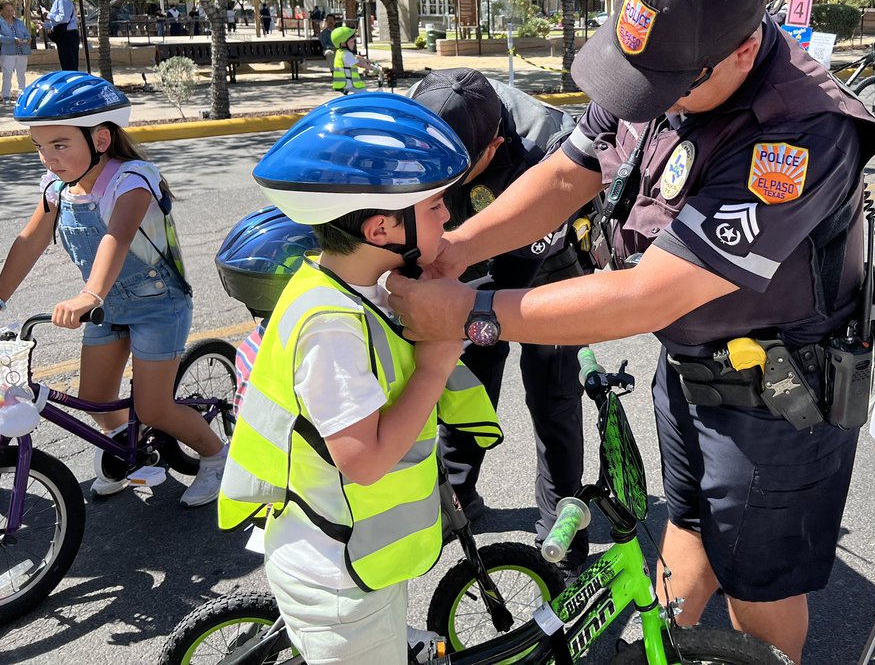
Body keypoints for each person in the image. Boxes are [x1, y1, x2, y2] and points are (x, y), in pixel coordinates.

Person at [387, 0, 875, 663]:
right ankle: (677, 652)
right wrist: (458, 249)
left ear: (744, 51)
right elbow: (568, 174)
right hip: (692, 369)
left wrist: (470, 313)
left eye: (662, 88)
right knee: (685, 524)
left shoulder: (799, 131)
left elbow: (652, 293)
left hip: (780, 397)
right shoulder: (663, 60)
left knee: (760, 587)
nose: (643, 101)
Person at [217, 93, 501, 665]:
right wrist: (435, 365)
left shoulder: (354, 287)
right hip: (338, 577)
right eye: (434, 206)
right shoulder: (333, 330)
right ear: (381, 228)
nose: (449, 214)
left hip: (355, 554)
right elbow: (365, 463)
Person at [0, 72, 227, 505]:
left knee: (156, 407)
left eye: (60, 145)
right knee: (94, 398)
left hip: (157, 304)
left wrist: (90, 295)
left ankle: (217, 457)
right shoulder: (56, 189)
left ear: (101, 140)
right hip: (107, 307)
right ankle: (134, 453)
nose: (48, 158)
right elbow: (28, 241)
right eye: (40, 147)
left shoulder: (132, 179)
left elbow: (117, 237)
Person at [409, 67, 590, 575]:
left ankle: (562, 533)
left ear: (491, 147)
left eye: (453, 171)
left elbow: (510, 279)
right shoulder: (423, 112)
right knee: (467, 380)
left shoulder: (550, 151)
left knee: (552, 395)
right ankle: (458, 498)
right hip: (461, 259)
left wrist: (446, 307)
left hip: (542, 267)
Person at [38, 0, 80, 71]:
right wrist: (45, 25)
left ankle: (72, 84)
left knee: (70, 67)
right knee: (66, 66)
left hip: (68, 36)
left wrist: (47, 14)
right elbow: (58, 22)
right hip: (65, 36)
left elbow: (64, 19)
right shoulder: (58, 0)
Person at [0, 0, 32, 103]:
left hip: (22, 51)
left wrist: (28, 39)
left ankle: (22, 94)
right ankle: (6, 96)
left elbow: (27, 34)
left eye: (12, 10)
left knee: (21, 74)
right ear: (1, 11)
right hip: (8, 52)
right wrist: (12, 40)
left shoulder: (19, 22)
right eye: (7, 10)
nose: (10, 13)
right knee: (7, 74)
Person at [330, 25, 370, 94]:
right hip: (350, 86)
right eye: (352, 42)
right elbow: (359, 64)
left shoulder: (340, 52)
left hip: (344, 85)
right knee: (366, 96)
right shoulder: (347, 54)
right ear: (343, 43)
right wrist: (372, 68)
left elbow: (356, 57)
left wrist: (367, 61)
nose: (354, 44)